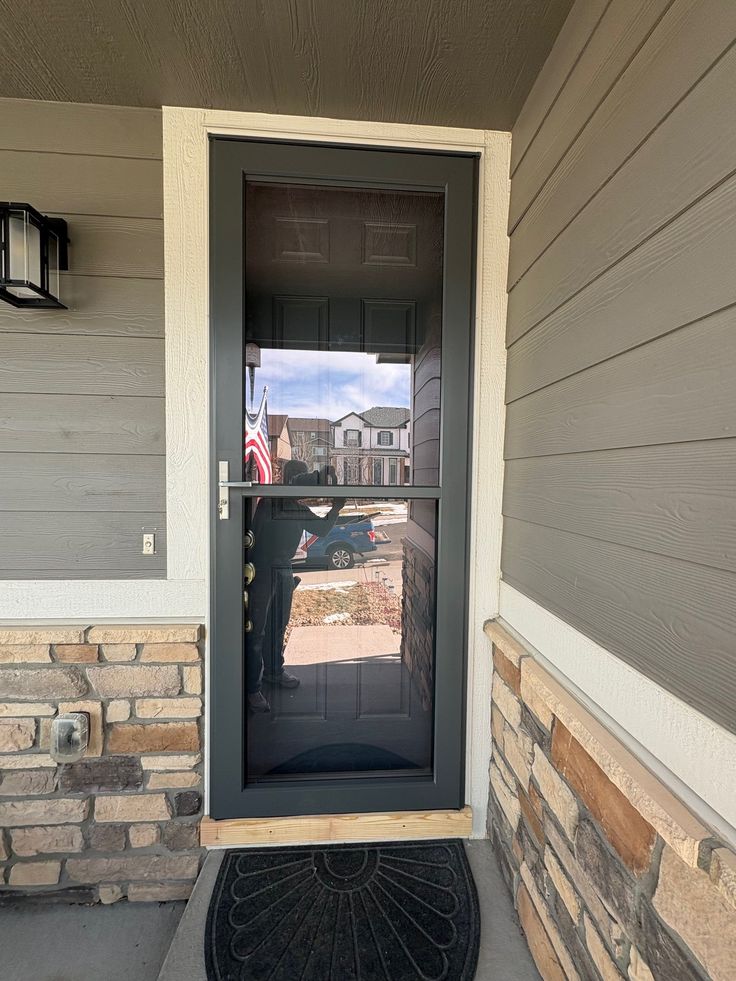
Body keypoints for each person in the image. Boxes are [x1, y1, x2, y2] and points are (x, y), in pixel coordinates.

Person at [246, 459, 341, 713]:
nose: (302, 482)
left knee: (278, 625)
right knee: (257, 631)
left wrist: (335, 508)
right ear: (289, 479)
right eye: (298, 477)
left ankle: (274, 672)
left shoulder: (296, 508)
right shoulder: (271, 501)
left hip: (284, 569)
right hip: (263, 568)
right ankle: (253, 687)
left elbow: (321, 529)